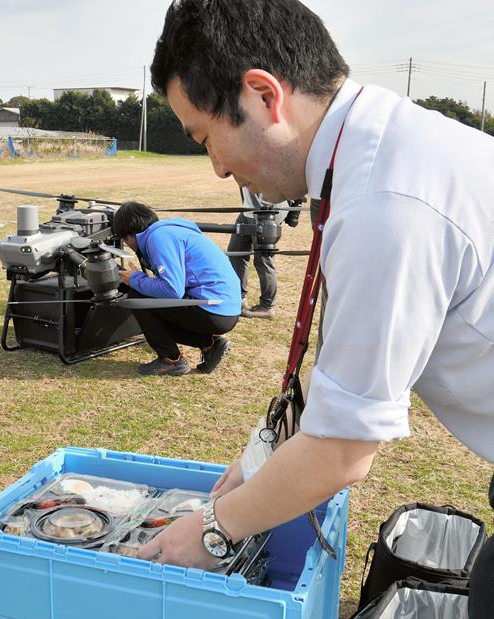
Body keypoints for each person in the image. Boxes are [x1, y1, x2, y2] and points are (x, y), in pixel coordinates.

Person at [137, 1, 494, 615]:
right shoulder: (378, 150)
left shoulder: (388, 202)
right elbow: (335, 377)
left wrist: (214, 529)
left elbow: (341, 449)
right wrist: (258, 463)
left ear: (262, 94)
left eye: (205, 138)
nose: (218, 166)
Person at [112, 201, 241, 376]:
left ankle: (170, 359)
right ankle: (210, 344)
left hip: (213, 309)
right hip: (227, 308)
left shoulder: (158, 238)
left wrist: (135, 279)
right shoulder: (169, 230)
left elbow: (172, 290)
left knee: (138, 297)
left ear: (129, 235)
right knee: (152, 301)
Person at [227, 187, 300, 319]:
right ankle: (239, 298)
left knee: (263, 260)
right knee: (235, 253)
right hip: (248, 211)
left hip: (266, 211)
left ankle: (267, 306)